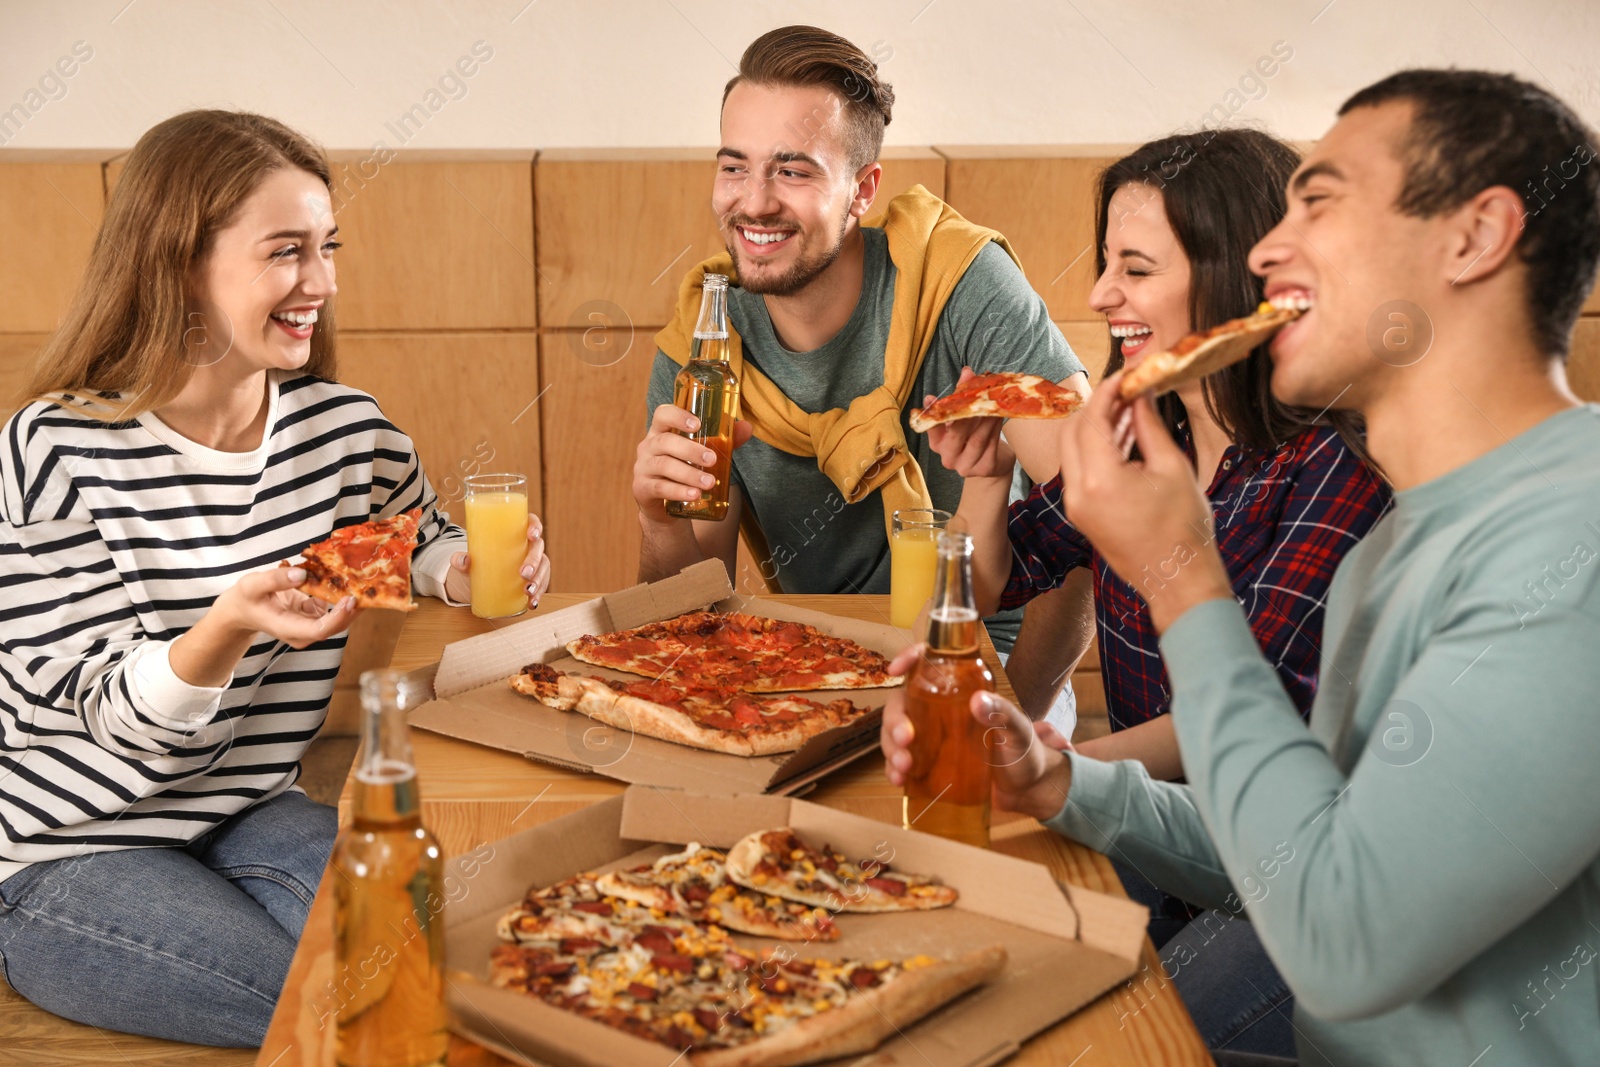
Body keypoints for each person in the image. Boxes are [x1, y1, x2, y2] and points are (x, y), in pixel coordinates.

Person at [884, 68, 1600, 1066]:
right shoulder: (1399, 547)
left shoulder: (1572, 544)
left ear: (1473, 237)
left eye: (1319, 200)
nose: (1266, 249)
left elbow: (1341, 941)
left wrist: (1179, 574)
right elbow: (1303, 846)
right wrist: (1058, 782)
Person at [0, 110, 550, 1047]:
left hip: (253, 807)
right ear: (179, 264)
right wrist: (226, 627)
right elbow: (108, 712)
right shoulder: (56, 448)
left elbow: (409, 535)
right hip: (73, 847)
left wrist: (457, 568)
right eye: (288, 251)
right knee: (362, 1013)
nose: (323, 283)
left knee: (459, 967)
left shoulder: (342, 431)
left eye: (328, 247)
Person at [926, 129, 1391, 1056]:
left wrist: (1046, 762)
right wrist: (984, 478)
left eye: (1134, 269)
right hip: (1141, 814)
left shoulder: (1336, 465)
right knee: (980, 966)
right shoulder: (1142, 425)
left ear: (1229, 282)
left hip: (1293, 866)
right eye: (1107, 265)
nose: (1101, 297)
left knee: (1125, 1041)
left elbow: (1250, 712)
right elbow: (999, 577)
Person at [630, 24, 1092, 686]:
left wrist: (1018, 724)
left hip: (985, 661)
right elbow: (688, 614)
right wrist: (658, 519)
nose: (754, 201)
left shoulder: (958, 280)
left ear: (865, 189)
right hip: (810, 666)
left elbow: (1088, 515)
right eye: (735, 166)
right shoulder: (705, 339)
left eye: (792, 171)